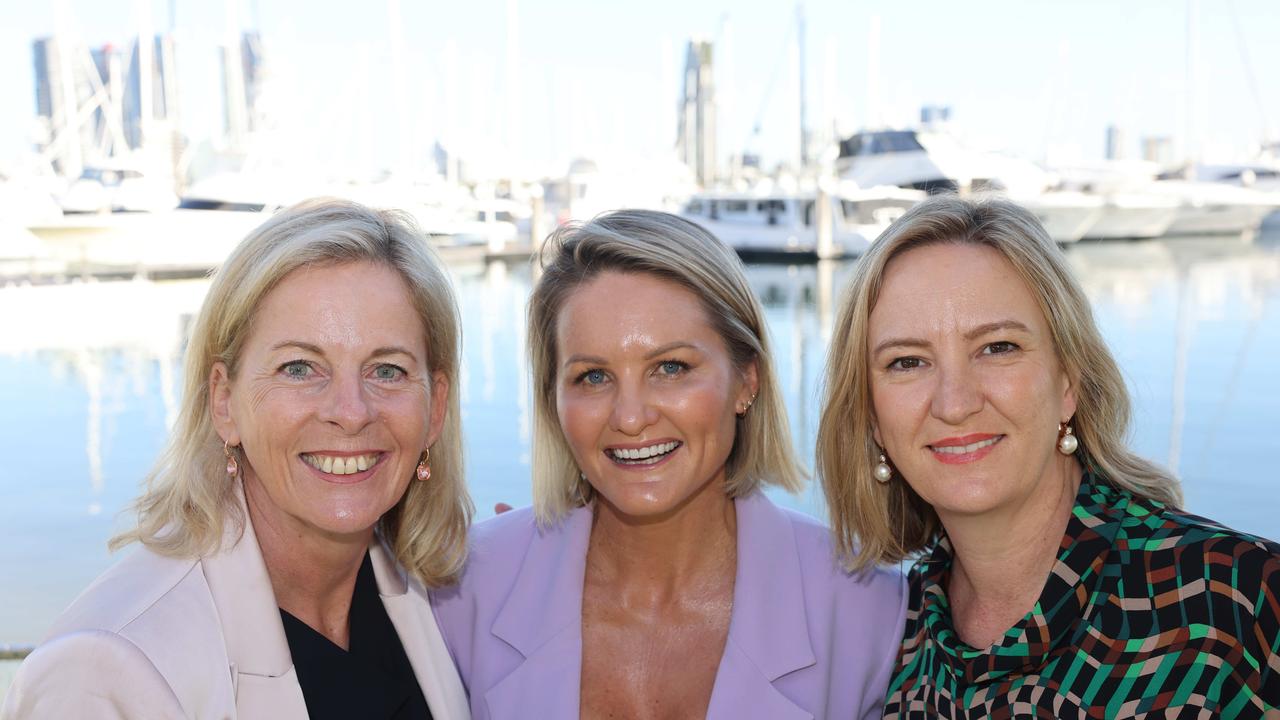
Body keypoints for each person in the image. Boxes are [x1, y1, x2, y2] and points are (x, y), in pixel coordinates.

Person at [2, 199, 473, 719]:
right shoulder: (102, 671)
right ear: (223, 401)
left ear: (436, 408)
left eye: (387, 370)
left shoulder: (433, 597)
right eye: (299, 367)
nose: (351, 412)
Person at [816, 194, 1280, 718]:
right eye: (907, 361)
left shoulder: (1236, 603)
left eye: (998, 348)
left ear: (1069, 380)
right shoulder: (890, 637)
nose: (954, 403)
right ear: (873, 418)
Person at [431, 210, 907, 719]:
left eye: (671, 368)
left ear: (747, 380)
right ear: (553, 400)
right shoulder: (459, 590)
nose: (631, 417)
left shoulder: (872, 612)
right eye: (592, 377)